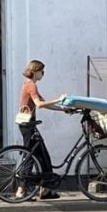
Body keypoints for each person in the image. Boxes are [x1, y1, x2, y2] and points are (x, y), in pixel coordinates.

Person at [16, 60, 67, 199]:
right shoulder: (31, 85)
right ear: (35, 71)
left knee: (43, 156)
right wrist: (59, 99)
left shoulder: (29, 84)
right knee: (30, 157)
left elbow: (45, 103)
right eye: (41, 71)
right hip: (28, 125)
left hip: (28, 124)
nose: (43, 74)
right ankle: (21, 190)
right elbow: (39, 104)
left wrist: (64, 110)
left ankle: (46, 190)